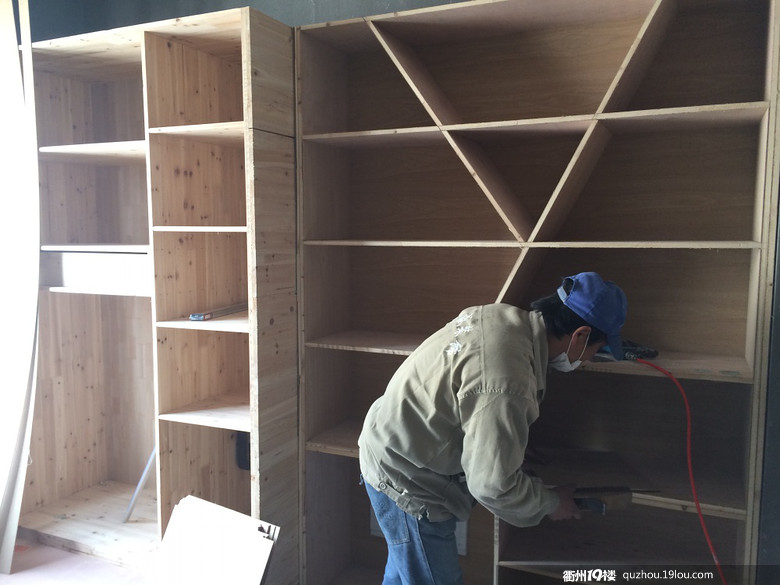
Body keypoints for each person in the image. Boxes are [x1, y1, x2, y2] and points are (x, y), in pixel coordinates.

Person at [358, 271, 628, 585]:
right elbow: (492, 485)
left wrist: (510, 444)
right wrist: (553, 503)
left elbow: (468, 400)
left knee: (406, 571)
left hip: (391, 441)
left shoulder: (500, 317)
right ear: (580, 335)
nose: (590, 359)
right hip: (406, 478)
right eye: (598, 349)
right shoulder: (508, 378)